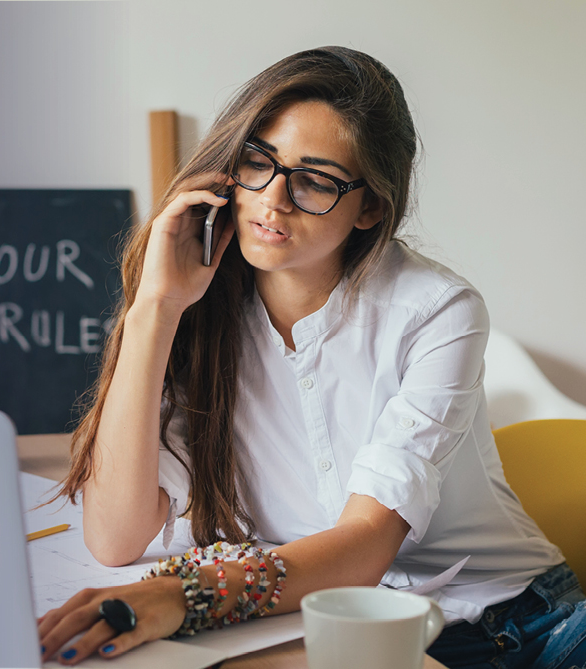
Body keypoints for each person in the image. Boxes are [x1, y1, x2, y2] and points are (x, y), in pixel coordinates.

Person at [37, 46, 586, 668]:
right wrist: (154, 310)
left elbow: (365, 545)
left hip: (517, 623)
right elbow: (114, 537)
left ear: (371, 206)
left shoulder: (437, 312)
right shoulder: (198, 314)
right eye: (257, 162)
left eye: (315, 180)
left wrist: (181, 596)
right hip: (323, 627)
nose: (273, 200)